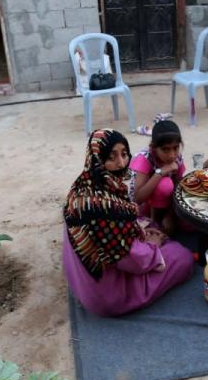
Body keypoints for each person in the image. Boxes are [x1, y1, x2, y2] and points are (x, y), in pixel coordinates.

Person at [62, 129, 193, 317]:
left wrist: (137, 233)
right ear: (97, 158)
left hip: (82, 280)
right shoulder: (106, 210)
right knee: (183, 257)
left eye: (124, 154)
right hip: (107, 295)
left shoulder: (81, 187)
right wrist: (153, 247)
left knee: (147, 223)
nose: (121, 163)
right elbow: (134, 262)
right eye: (111, 156)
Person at [130, 120, 186, 232]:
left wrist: (170, 215)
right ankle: (155, 222)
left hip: (168, 203)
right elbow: (138, 198)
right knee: (164, 185)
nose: (172, 155)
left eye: (175, 148)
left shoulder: (177, 158)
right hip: (143, 208)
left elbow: (178, 188)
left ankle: (165, 219)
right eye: (165, 149)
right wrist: (160, 173)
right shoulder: (144, 159)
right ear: (154, 147)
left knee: (190, 224)